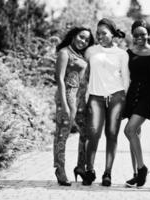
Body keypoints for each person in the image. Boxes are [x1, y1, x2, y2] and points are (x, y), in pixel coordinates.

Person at [83, 18, 130, 187]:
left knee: (111, 135)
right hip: (96, 97)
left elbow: (126, 78)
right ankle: (89, 170)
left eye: (104, 33)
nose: (100, 36)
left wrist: (126, 100)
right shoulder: (91, 51)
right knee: (93, 134)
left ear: (112, 34)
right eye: (98, 33)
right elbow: (82, 70)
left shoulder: (122, 54)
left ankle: (107, 173)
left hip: (117, 97)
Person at [123, 19, 150, 188]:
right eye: (136, 34)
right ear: (132, 35)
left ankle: (142, 169)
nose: (140, 37)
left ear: (149, 34)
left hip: (148, 95)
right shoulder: (129, 52)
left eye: (143, 34)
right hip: (132, 94)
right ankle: (136, 174)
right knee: (135, 134)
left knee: (129, 130)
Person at [53, 27, 94, 186]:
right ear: (73, 35)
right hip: (68, 97)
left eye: (86, 40)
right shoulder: (65, 53)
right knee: (62, 135)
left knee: (86, 133)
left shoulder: (81, 55)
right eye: (81, 37)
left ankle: (80, 166)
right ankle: (60, 169)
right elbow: (60, 79)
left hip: (81, 99)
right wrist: (64, 104)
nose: (83, 41)